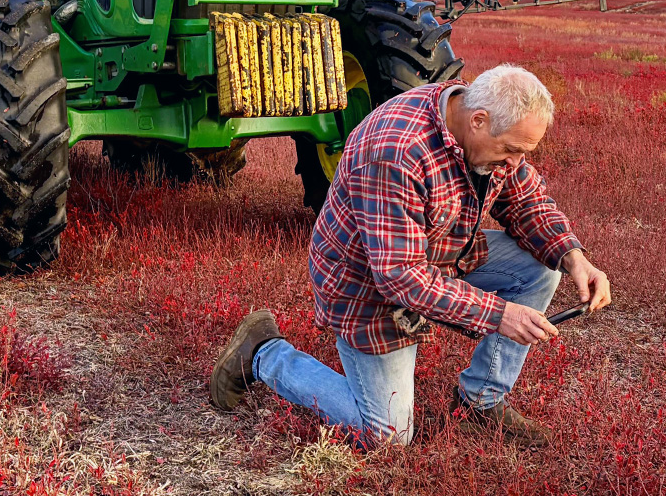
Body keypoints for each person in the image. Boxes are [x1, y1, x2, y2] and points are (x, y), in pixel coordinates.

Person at [210, 65, 611, 447]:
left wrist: (575, 257)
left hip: (440, 255)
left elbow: (526, 201)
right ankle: (265, 353)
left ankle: (480, 401)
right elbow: (400, 276)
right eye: (510, 151)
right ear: (478, 121)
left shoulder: (488, 128)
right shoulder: (397, 151)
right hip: (367, 286)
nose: (515, 163)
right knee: (386, 436)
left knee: (542, 268)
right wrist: (500, 314)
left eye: (523, 153)